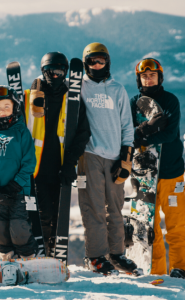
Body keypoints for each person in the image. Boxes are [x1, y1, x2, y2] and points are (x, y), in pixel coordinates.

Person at [78, 42, 138, 274]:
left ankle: (116, 253)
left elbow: (127, 126)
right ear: (86, 64)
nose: (96, 65)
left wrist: (126, 158)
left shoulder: (118, 90)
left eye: (101, 60)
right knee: (93, 207)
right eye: (92, 61)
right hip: (90, 154)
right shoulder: (79, 87)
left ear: (107, 62)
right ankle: (95, 255)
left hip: (115, 156)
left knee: (115, 207)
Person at [26, 52, 90, 254]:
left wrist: (70, 163)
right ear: (43, 71)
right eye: (50, 71)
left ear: (66, 73)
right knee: (40, 215)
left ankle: (54, 253)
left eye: (60, 71)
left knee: (59, 216)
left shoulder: (73, 99)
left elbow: (83, 133)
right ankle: (40, 252)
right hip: (36, 169)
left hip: (61, 167)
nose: (55, 76)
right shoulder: (29, 97)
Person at [131, 58, 185, 278]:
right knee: (148, 228)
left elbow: (170, 134)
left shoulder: (170, 101)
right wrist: (146, 130)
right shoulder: (134, 102)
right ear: (139, 79)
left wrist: (142, 135)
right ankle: (157, 272)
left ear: (159, 77)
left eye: (152, 75)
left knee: (176, 226)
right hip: (145, 175)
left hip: (172, 173)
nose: (148, 78)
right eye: (144, 75)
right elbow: (129, 135)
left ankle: (180, 268)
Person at [0, 86, 38, 259]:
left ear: (14, 108)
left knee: (18, 228)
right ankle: (7, 261)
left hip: (18, 191)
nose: (3, 111)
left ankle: (27, 258)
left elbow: (29, 162)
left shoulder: (21, 132)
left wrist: (16, 184)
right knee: (0, 229)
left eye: (7, 106)